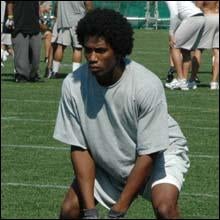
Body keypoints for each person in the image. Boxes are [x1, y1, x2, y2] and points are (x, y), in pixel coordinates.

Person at [53, 8, 190, 219]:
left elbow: (149, 153)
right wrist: (90, 212)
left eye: (100, 51)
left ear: (118, 51)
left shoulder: (146, 85)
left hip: (160, 152)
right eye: (87, 50)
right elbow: (79, 147)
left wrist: (118, 210)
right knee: (70, 209)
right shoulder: (73, 85)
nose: (91, 57)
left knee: (165, 208)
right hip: (109, 153)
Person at [164, 1, 205, 90]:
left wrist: (171, 33)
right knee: (186, 50)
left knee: (174, 46)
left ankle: (180, 79)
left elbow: (174, 14)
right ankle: (184, 82)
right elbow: (179, 16)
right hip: (201, 17)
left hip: (192, 18)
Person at [6, 1, 50, 82]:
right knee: (21, 54)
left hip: (34, 24)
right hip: (19, 23)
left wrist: (41, 17)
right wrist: (10, 18)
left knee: (36, 53)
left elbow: (38, 4)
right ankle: (21, 75)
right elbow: (9, 3)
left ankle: (33, 74)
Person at [49, 1, 93, 78]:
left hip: (63, 21)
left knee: (60, 46)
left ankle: (54, 72)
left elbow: (56, 6)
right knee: (78, 48)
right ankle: (76, 73)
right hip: (78, 21)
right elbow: (89, 6)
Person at [190, 1, 219, 90]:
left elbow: (198, 6)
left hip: (207, 17)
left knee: (198, 49)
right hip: (217, 17)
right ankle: (214, 82)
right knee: (217, 51)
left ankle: (192, 80)